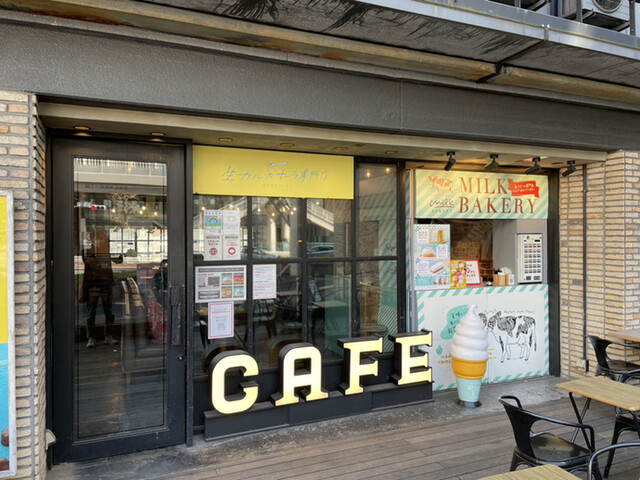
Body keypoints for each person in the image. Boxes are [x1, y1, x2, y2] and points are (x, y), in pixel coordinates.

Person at [82, 228, 123, 348]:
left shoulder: (106, 250)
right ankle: (91, 337)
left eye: (105, 238)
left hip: (106, 283)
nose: (104, 240)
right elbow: (90, 263)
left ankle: (108, 335)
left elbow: (119, 260)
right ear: (94, 238)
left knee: (108, 310)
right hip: (93, 284)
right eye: (102, 237)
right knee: (91, 311)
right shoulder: (88, 250)